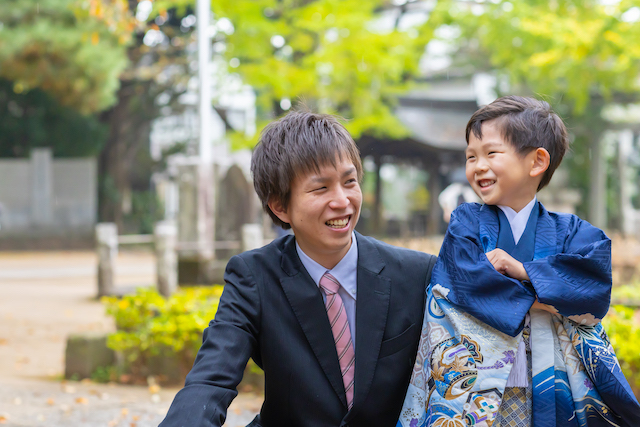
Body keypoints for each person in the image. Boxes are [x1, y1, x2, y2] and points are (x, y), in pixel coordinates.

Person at [160, 111, 437, 427]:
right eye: (321, 188)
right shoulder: (253, 276)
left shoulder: (417, 274)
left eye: (349, 182)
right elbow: (210, 380)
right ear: (280, 206)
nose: (342, 200)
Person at [397, 96, 640, 427]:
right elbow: (464, 287)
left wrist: (523, 270)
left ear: (537, 161)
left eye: (491, 153)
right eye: (471, 157)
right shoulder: (466, 222)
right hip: (474, 392)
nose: (478, 165)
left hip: (553, 387)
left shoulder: (572, 232)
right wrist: (546, 298)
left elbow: (593, 289)